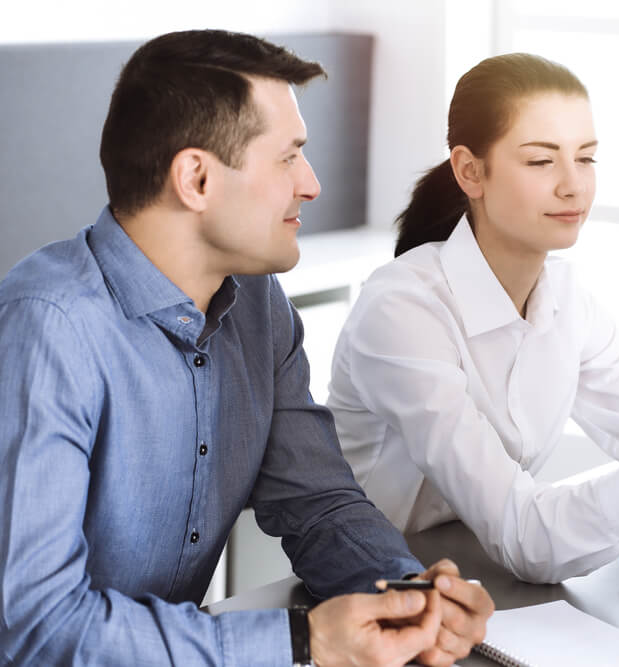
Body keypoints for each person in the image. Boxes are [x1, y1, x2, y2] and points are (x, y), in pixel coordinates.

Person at [0, 30, 492, 667]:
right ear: (197, 179)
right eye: (288, 157)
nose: (310, 184)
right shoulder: (46, 331)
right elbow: (36, 628)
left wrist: (409, 598)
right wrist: (302, 642)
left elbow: (318, 503)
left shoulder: (259, 305)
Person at [326, 52, 619, 585]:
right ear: (470, 171)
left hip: (476, 576)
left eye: (586, 159)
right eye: (541, 161)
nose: (573, 186)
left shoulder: (566, 299)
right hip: (369, 590)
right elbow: (527, 538)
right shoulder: (402, 309)